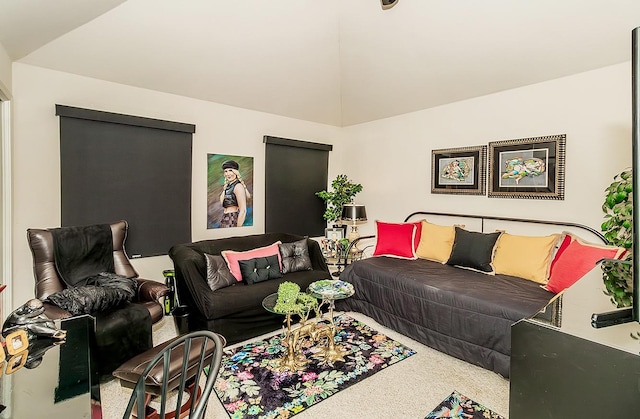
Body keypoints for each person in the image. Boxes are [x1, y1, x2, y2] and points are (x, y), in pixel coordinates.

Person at [218, 160, 251, 227]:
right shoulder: (228, 186)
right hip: (225, 218)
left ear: (236, 172)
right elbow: (223, 202)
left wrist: (238, 228)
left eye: (230, 170)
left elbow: (243, 210)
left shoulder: (238, 186)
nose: (228, 174)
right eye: (226, 171)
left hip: (232, 218)